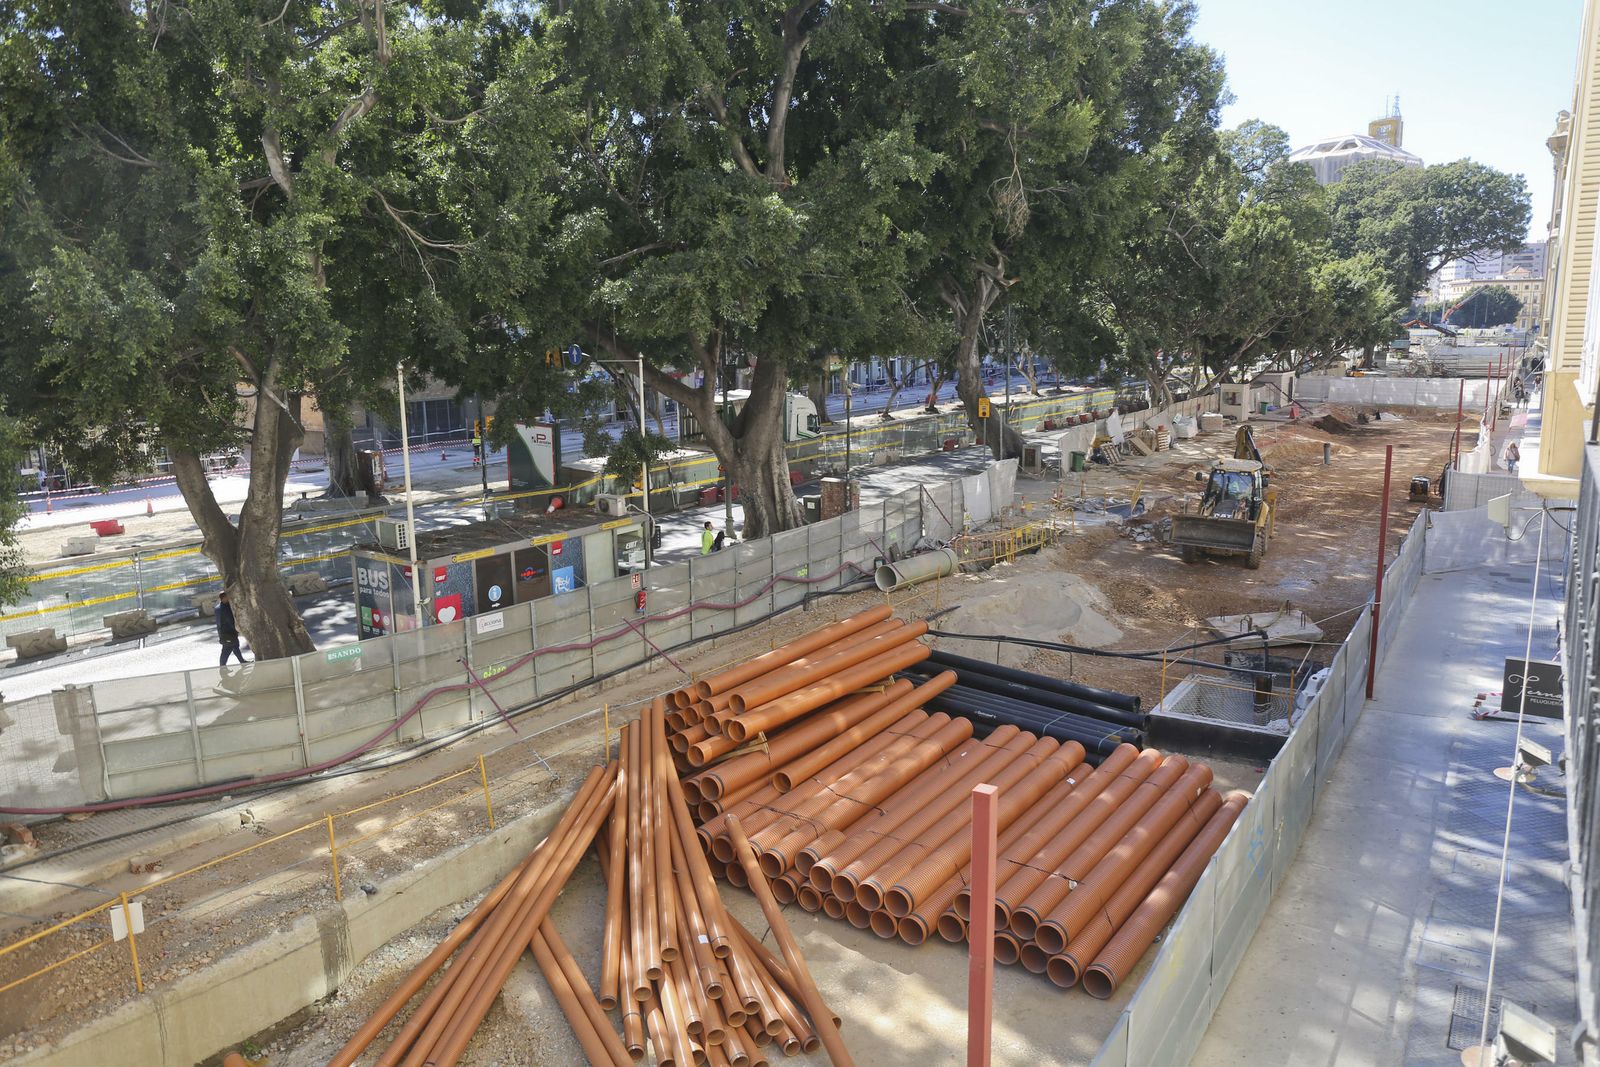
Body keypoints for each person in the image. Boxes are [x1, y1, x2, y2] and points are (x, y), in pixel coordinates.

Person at [216, 590, 248, 666]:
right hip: (228, 633)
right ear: (223, 598)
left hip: (224, 632)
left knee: (235, 647)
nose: (229, 598)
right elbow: (229, 620)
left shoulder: (218, 607)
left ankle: (242, 661)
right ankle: (222, 668)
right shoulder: (225, 608)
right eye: (227, 597)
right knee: (226, 651)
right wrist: (237, 629)